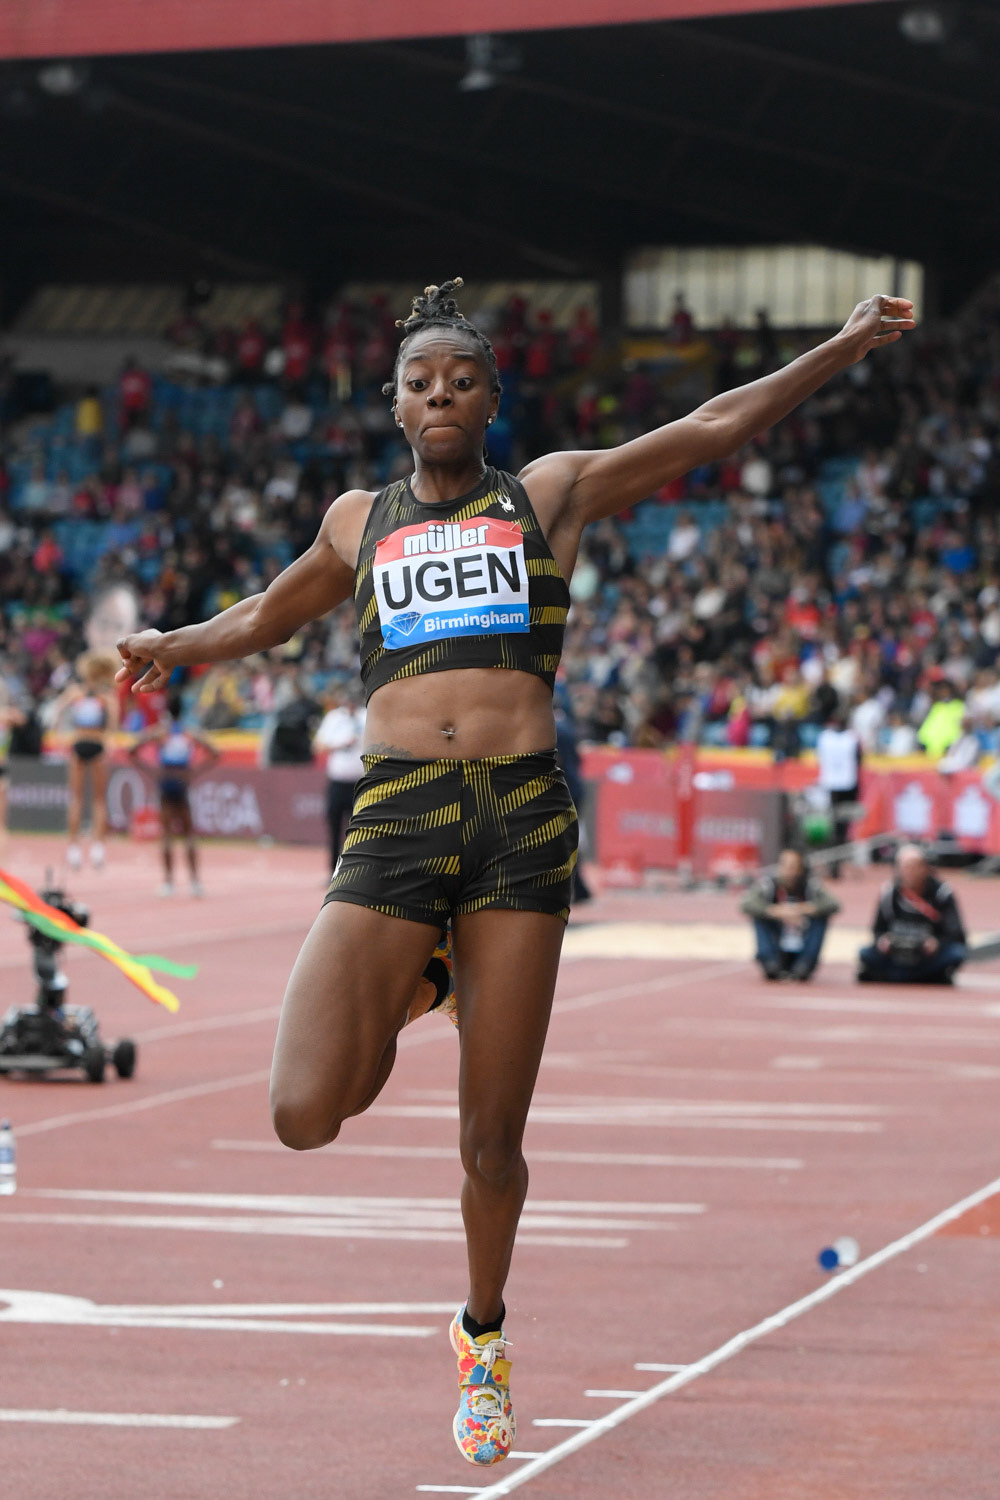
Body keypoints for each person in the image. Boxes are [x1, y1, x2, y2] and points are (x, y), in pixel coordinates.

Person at [115, 278, 914, 1468]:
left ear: (491, 400)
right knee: (303, 1114)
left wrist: (839, 349)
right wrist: (173, 644)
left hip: (519, 821)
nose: (440, 395)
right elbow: (268, 616)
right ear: (394, 406)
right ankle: (430, 980)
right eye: (419, 383)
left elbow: (711, 427)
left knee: (490, 1141)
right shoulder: (355, 522)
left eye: (462, 381)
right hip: (398, 814)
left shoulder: (548, 493)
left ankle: (481, 1336)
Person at [129, 693, 220, 897]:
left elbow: (133, 749)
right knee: (188, 834)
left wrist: (151, 771)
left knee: (167, 835)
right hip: (182, 781)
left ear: (167, 710)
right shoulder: (189, 733)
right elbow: (215, 752)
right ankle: (195, 882)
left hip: (167, 780)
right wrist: (195, 772)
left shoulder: (161, 732)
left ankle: (169, 882)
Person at [857, 844, 967, 984]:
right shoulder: (889, 892)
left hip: (927, 956)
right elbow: (878, 929)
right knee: (864, 953)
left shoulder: (941, 894)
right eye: (905, 867)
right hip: (896, 956)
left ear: (925, 868)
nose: (910, 872)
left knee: (956, 953)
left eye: (914, 867)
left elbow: (957, 934)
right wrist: (884, 941)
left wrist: (936, 943)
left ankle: (898, 976)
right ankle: (924, 977)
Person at [52, 651, 120, 870]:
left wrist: (59, 735)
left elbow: (57, 710)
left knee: (77, 798)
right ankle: (97, 848)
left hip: (80, 743)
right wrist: (108, 742)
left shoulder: (76, 693)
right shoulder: (106, 696)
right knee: (98, 800)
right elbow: (113, 724)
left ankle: (74, 848)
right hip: (96, 743)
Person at [741, 848, 840, 981]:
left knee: (821, 917)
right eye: (784, 865)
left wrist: (803, 909)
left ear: (800, 869)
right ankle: (769, 961)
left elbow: (834, 904)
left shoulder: (810, 885)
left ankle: (805, 963)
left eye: (793, 867)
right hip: (777, 942)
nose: (788, 871)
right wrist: (775, 911)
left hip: (802, 942)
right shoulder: (768, 885)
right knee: (759, 916)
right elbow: (746, 904)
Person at [313, 686, 367, 878]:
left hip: (360, 782)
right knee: (334, 827)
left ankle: (357, 871)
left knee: (360, 830)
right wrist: (340, 744)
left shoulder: (366, 716)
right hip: (338, 781)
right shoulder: (334, 718)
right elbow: (318, 746)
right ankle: (333, 871)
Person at [815, 709, 862, 875]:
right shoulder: (850, 738)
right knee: (839, 827)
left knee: (839, 826)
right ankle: (835, 863)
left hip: (839, 785)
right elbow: (859, 760)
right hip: (841, 785)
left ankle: (836, 863)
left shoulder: (827, 737)